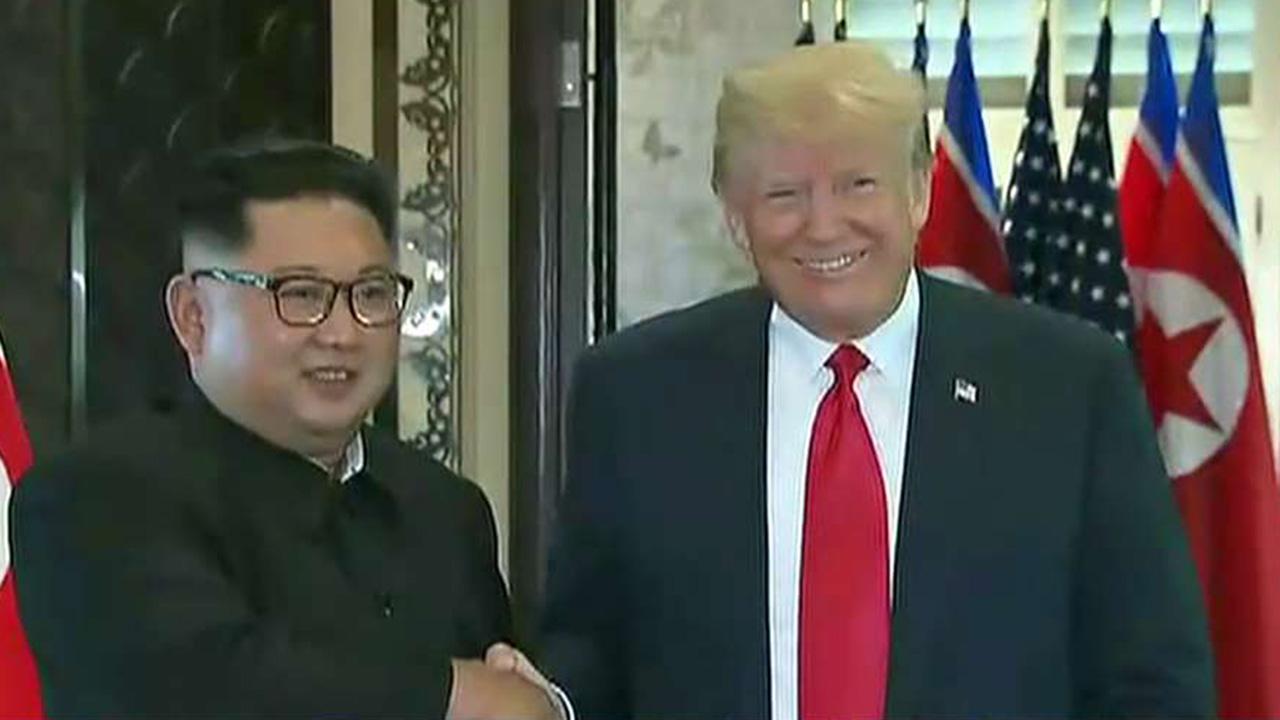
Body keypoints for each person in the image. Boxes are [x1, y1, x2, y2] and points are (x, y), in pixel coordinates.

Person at [540, 42, 1216, 719]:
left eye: (858, 184)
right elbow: (590, 655)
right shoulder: (636, 397)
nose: (824, 225)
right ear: (737, 221)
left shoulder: (1068, 389)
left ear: (919, 192)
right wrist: (540, 698)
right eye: (784, 195)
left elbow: (1153, 681)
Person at [10, 139, 560, 719]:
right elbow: (217, 689)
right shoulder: (93, 496)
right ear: (193, 317)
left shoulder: (445, 508)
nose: (342, 334)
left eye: (371, 294)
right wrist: (458, 695)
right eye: (300, 295)